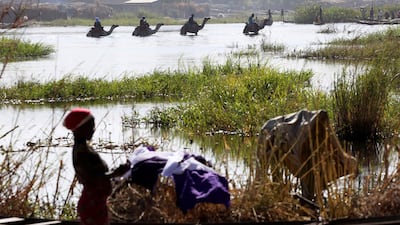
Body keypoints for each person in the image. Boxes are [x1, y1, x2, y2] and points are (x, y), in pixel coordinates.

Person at [63, 108, 131, 225]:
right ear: (80, 128)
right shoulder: (82, 152)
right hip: (91, 205)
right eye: (90, 126)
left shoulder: (83, 149)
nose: (93, 130)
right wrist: (116, 173)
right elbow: (93, 177)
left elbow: (96, 175)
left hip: (95, 203)